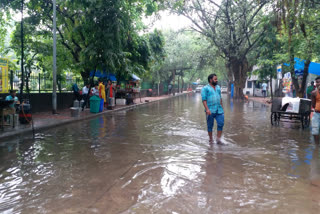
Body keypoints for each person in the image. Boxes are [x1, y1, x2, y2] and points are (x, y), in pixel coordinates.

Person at [201, 74, 224, 144]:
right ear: (210, 80)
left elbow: (220, 98)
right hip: (210, 110)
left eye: (217, 79)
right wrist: (207, 109)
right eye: (215, 79)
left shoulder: (218, 88)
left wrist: (222, 108)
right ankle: (211, 139)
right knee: (210, 125)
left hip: (219, 110)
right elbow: (204, 100)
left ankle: (218, 139)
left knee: (221, 123)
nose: (217, 80)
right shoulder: (205, 88)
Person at [311, 77, 320, 144]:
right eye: (317, 82)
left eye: (319, 82)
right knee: (315, 131)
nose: (318, 83)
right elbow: (313, 105)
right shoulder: (314, 93)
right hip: (317, 113)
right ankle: (317, 146)